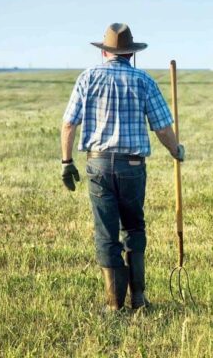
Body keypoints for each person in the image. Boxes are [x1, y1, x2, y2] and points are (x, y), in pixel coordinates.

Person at [60, 23, 185, 311]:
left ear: (105, 52)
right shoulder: (143, 81)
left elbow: (68, 123)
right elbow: (163, 127)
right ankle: (138, 299)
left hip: (98, 166)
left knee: (106, 233)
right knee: (134, 228)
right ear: (131, 53)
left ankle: (115, 305)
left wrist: (67, 163)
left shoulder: (87, 77)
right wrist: (176, 150)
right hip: (132, 166)